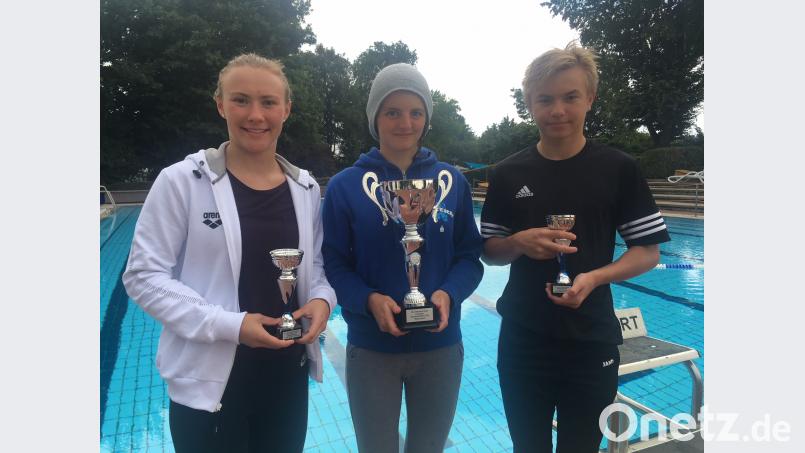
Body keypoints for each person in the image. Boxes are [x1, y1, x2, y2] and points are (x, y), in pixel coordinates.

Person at [122, 53, 336, 453]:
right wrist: (230, 326)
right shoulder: (181, 182)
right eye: (241, 100)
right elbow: (143, 276)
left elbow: (317, 266)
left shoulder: (306, 189)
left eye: (269, 102)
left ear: (286, 109)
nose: (256, 115)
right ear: (220, 104)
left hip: (287, 376)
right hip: (209, 383)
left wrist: (323, 300)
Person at [480, 42, 671, 452]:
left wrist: (595, 277)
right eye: (545, 99)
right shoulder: (509, 173)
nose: (558, 110)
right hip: (524, 338)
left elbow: (648, 251)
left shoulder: (619, 169)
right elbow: (489, 250)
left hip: (591, 339)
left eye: (570, 97)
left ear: (590, 99)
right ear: (529, 103)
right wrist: (517, 242)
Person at [322, 63, 483, 453]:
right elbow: (334, 264)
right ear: (375, 118)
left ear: (426, 118)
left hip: (441, 347)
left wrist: (448, 294)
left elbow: (469, 257)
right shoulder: (345, 186)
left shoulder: (450, 181)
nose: (404, 122)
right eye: (392, 111)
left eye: (415, 112)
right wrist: (368, 300)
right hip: (372, 348)